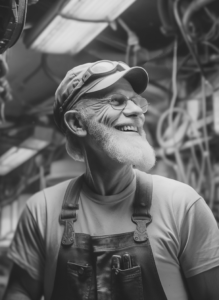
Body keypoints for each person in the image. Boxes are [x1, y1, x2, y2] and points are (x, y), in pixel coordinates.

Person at [3, 60, 219, 300]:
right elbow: (20, 290)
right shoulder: (42, 209)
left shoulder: (182, 204)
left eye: (137, 101)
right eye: (116, 101)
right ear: (76, 123)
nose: (137, 111)